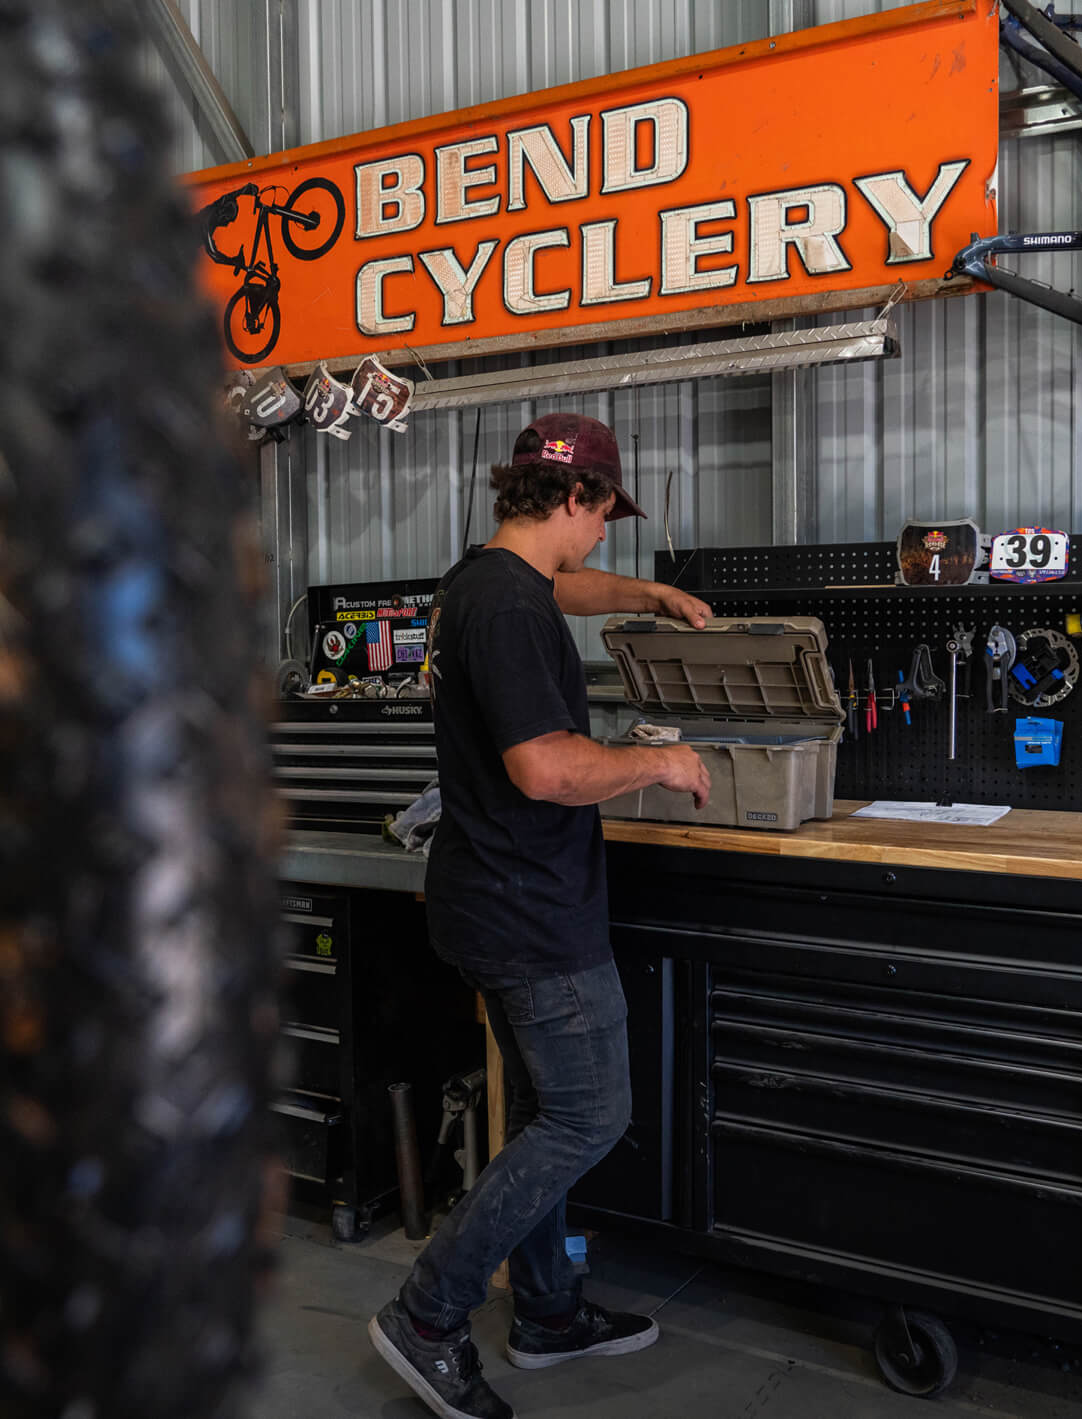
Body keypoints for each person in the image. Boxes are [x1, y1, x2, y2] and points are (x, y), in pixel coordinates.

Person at [369, 411, 713, 1419]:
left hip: (490, 894)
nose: (608, 531)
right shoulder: (511, 613)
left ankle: (549, 1312)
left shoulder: (485, 582)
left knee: (538, 1116)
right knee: (588, 1114)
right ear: (574, 497)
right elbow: (547, 766)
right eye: (605, 512)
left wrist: (649, 593)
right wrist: (661, 760)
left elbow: (567, 587)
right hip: (531, 912)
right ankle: (428, 1314)